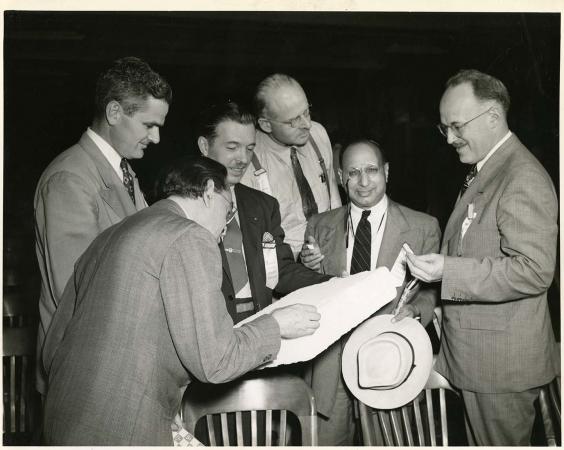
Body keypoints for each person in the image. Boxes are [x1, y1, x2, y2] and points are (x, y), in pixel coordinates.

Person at [41, 156, 321, 446]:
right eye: (228, 212)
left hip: (62, 417)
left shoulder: (110, 235)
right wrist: (276, 325)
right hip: (123, 430)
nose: (226, 230)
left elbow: (53, 347)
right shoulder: (189, 236)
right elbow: (217, 361)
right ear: (210, 190)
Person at [406, 69, 558, 446]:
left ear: (492, 116)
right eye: (445, 129)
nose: (451, 138)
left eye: (457, 126)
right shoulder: (488, 169)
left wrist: (448, 271)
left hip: (500, 368)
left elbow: (535, 271)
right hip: (480, 360)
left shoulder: (521, 176)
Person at [34, 56, 171, 393]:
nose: (155, 138)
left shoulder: (121, 171)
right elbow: (74, 289)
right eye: (148, 125)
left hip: (117, 355)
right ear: (113, 113)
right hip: (83, 364)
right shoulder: (71, 177)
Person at [300, 139, 441, 445]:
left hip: (390, 361)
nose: (363, 182)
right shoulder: (318, 226)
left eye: (371, 170)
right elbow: (305, 294)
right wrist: (305, 269)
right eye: (353, 172)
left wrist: (416, 312)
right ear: (340, 178)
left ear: (387, 172)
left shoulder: (423, 226)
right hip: (330, 368)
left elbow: (431, 293)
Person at [195, 101, 331, 323]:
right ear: (204, 146)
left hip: (260, 329)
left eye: (250, 148)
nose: (242, 159)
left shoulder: (262, 205)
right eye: (232, 147)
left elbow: (279, 271)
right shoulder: (183, 206)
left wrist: (333, 283)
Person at [240, 74, 341, 257]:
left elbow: (333, 197)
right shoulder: (246, 162)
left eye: (306, 112)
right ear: (266, 125)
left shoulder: (318, 134)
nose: (307, 124)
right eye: (294, 120)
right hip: (286, 264)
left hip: (329, 251)